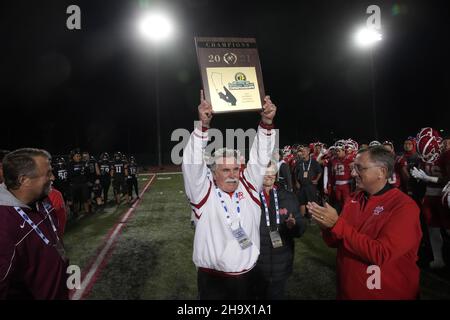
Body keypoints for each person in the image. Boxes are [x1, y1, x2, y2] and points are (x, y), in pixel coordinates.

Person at [182, 90, 276, 300]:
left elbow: (261, 157)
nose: (232, 175)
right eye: (225, 170)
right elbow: (191, 165)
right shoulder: (203, 194)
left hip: (249, 277)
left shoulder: (249, 187)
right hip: (214, 282)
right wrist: (203, 127)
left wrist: (267, 122)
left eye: (235, 169)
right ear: (214, 173)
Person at [307, 146, 422, 299]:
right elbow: (336, 242)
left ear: (381, 171)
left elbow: (381, 254)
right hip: (348, 291)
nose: (353, 173)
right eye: (353, 167)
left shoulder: (404, 206)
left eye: (359, 168)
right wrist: (327, 227)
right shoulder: (353, 198)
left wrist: (337, 224)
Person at [0, 148, 69, 299]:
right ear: (23, 180)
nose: (53, 177)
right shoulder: (4, 226)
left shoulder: (42, 198)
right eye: (48, 173)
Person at [252, 163, 306, 299]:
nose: (269, 175)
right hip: (256, 264)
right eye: (266, 171)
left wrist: (294, 226)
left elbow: (300, 225)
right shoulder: (250, 196)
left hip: (281, 263)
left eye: (272, 172)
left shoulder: (288, 196)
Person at [295, 145, 323, 216]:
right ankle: (302, 218)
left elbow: (320, 171)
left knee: (311, 202)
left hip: (310, 185)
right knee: (302, 202)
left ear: (308, 152)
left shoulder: (313, 161)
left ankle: (312, 217)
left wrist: (316, 180)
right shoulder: (299, 162)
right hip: (301, 186)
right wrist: (297, 182)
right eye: (302, 151)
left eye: (304, 151)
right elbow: (295, 173)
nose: (302, 153)